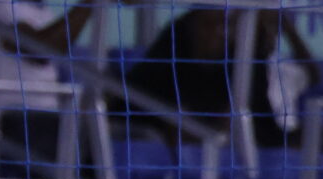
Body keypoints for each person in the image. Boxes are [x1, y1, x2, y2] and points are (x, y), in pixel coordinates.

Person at [124, 6, 310, 142]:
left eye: (225, 24)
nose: (218, 32)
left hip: (239, 148)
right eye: (209, 25)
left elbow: (259, 121)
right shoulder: (170, 49)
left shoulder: (247, 55)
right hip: (167, 139)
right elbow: (137, 102)